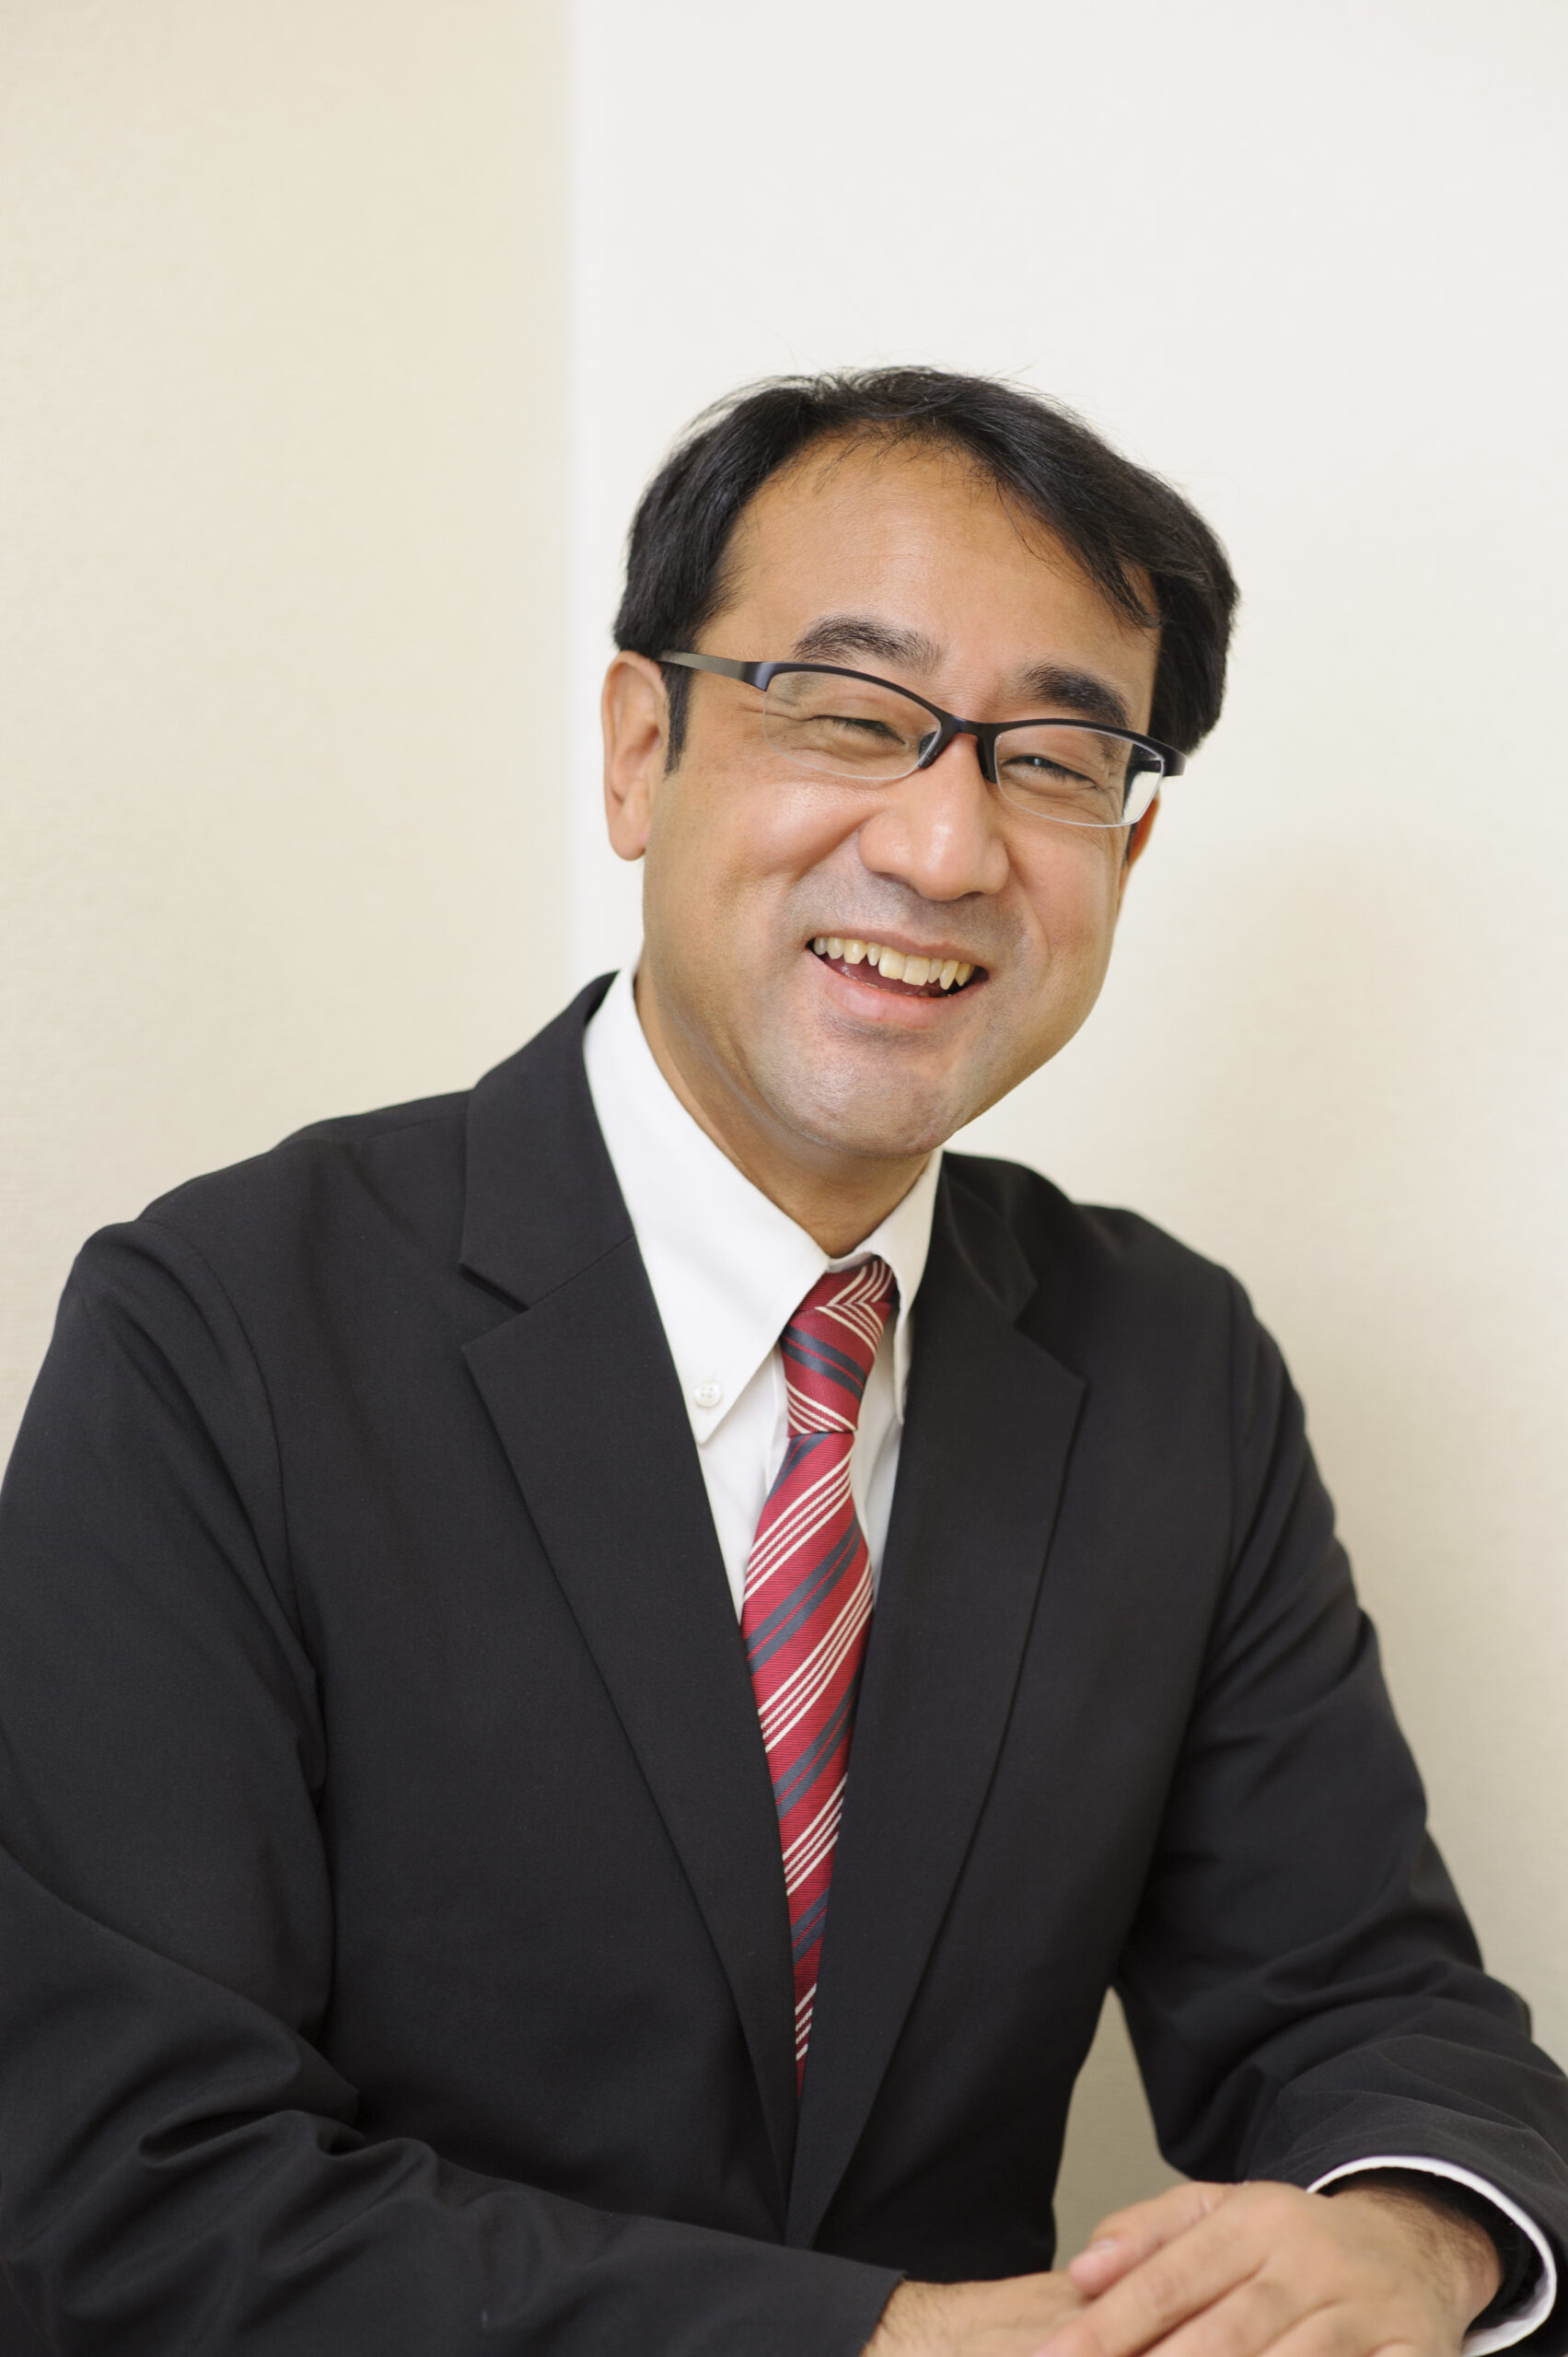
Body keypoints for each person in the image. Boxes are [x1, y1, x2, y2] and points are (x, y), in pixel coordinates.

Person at [0, 368, 1563, 2357]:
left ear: (1129, 847)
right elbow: (125, 2185)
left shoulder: (1175, 1370)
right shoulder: (222, 1329)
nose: (945, 844)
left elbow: (1360, 1999)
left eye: (1056, 760)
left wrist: (1417, 2236)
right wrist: (881, 2342)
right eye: (848, 712)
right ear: (639, 749)